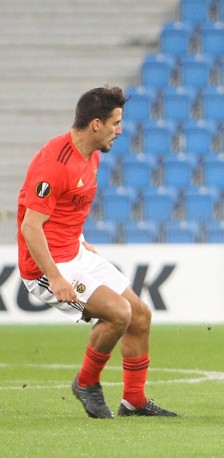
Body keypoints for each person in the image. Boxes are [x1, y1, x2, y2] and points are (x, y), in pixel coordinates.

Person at [17, 86, 177, 419]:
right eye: (115, 123)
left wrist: (80, 237)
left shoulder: (92, 154)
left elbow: (68, 207)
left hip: (74, 251)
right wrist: (56, 277)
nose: (120, 130)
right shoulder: (53, 163)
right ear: (95, 124)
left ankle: (134, 401)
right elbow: (31, 226)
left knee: (141, 315)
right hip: (47, 266)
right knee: (118, 313)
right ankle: (86, 382)